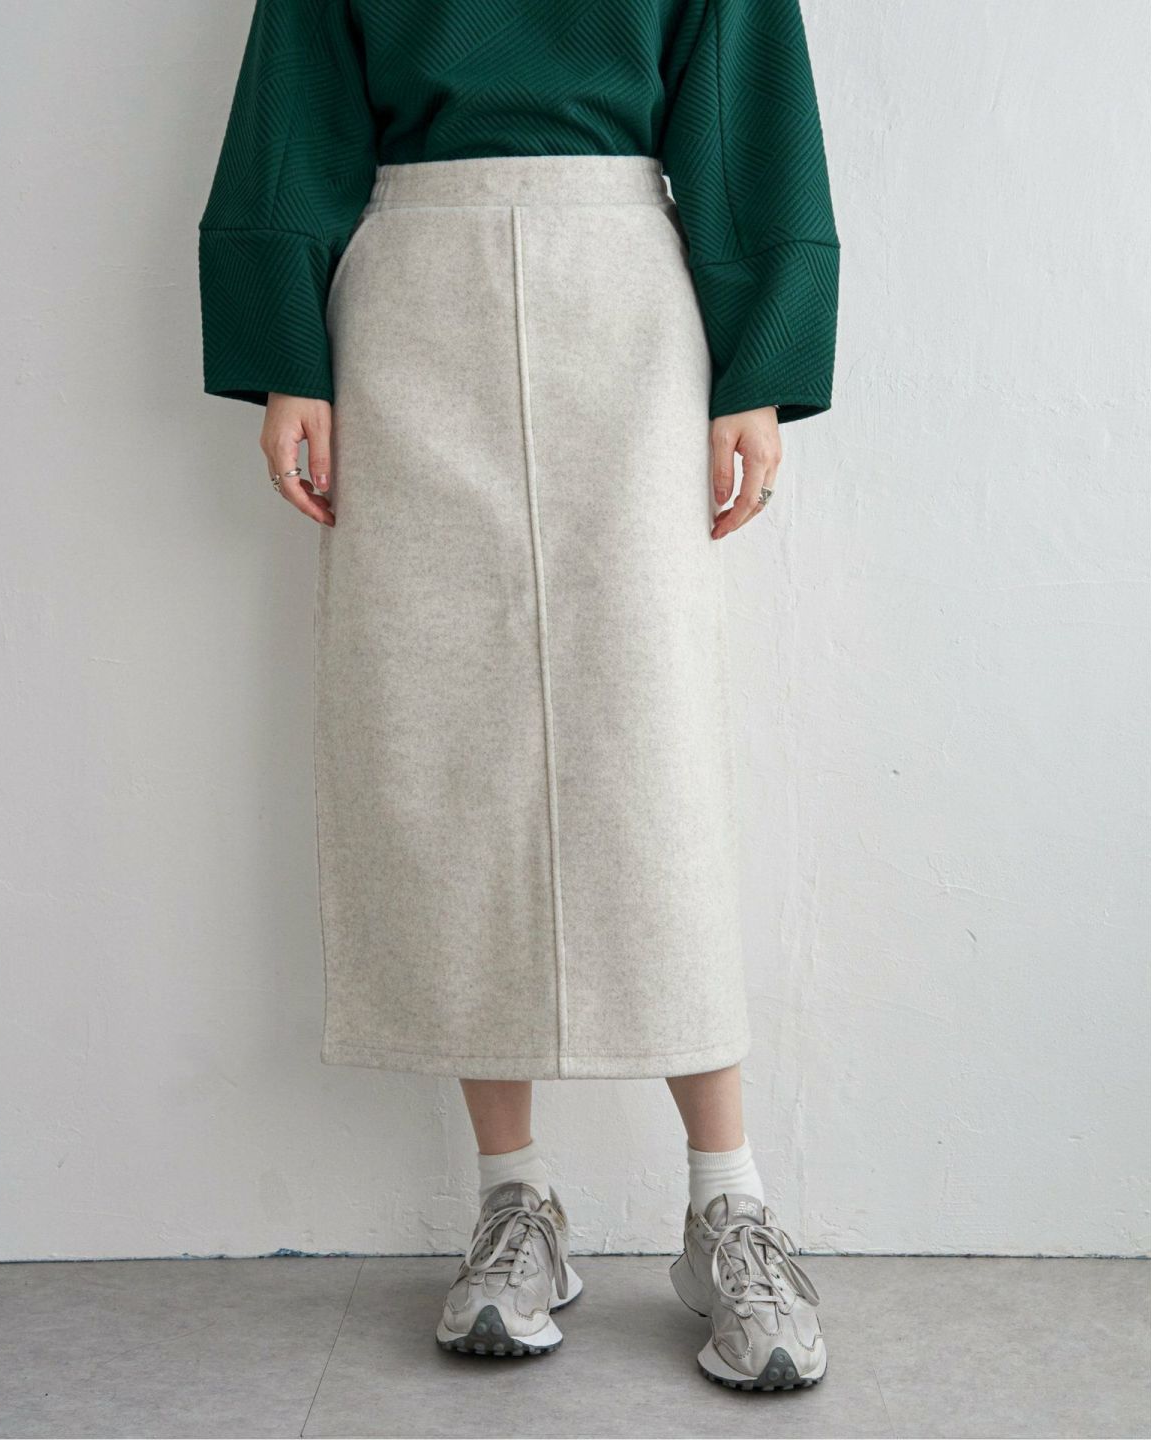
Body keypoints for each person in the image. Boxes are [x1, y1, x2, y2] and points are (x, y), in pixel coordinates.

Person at [198, 0, 839, 1392]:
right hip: (408, 303)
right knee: (443, 742)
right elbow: (296, 107)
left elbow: (747, 108)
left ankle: (727, 1201)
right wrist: (286, 350)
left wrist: (760, 362)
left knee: (651, 748)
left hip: (627, 300)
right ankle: (516, 1202)